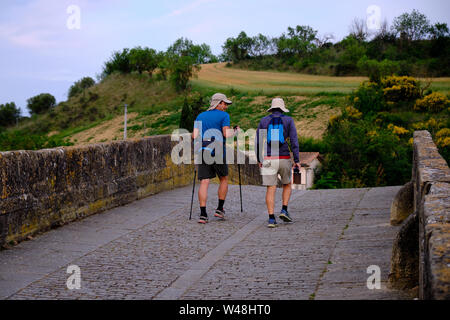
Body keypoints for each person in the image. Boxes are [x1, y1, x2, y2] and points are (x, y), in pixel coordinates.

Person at [192, 93, 239, 224]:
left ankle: (203, 214)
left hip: (203, 148)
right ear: (218, 103)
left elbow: (194, 135)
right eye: (224, 104)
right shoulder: (224, 116)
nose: (226, 107)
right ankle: (219, 209)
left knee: (204, 182)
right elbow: (226, 133)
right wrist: (235, 132)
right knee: (223, 178)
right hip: (217, 149)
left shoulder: (200, 116)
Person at [256, 98, 300, 228]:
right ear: (282, 108)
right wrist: (297, 160)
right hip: (284, 157)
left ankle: (271, 219)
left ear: (271, 108)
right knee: (287, 184)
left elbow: (258, 141)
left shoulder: (264, 121)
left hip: (269, 158)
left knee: (271, 188)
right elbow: (294, 141)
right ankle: (284, 209)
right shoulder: (288, 120)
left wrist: (259, 159)